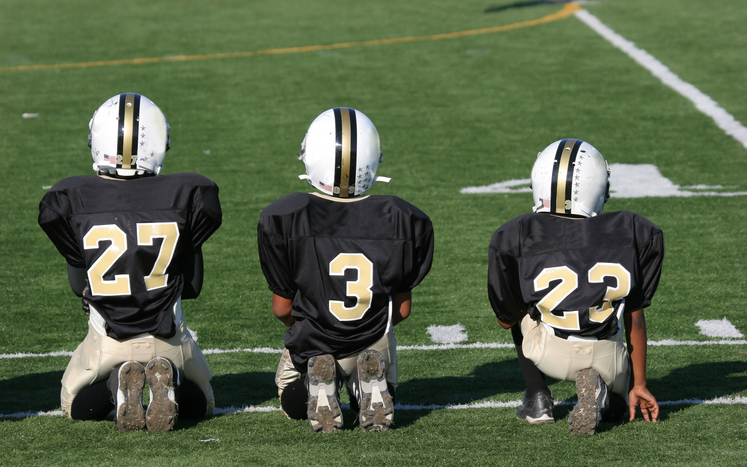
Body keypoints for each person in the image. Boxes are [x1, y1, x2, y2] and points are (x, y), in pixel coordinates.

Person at [38, 93, 222, 432]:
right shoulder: (189, 194)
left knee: (74, 404)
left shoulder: (70, 198)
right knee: (204, 402)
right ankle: (170, 382)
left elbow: (79, 284)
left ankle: (115, 388)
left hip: (106, 341)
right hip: (169, 337)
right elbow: (192, 287)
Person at [257, 107, 434, 433]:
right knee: (377, 371)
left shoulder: (287, 215)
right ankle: (364, 387)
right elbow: (404, 310)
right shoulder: (400, 218)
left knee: (289, 399)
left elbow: (281, 308)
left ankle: (316, 385)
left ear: (311, 156)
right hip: (372, 339)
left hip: (313, 339)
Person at [487, 138, 663, 435]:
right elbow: (636, 316)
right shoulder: (634, 230)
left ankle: (537, 397)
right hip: (607, 357)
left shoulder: (516, 234)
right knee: (623, 312)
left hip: (549, 356)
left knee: (520, 309)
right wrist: (640, 384)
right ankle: (607, 396)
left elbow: (506, 320)